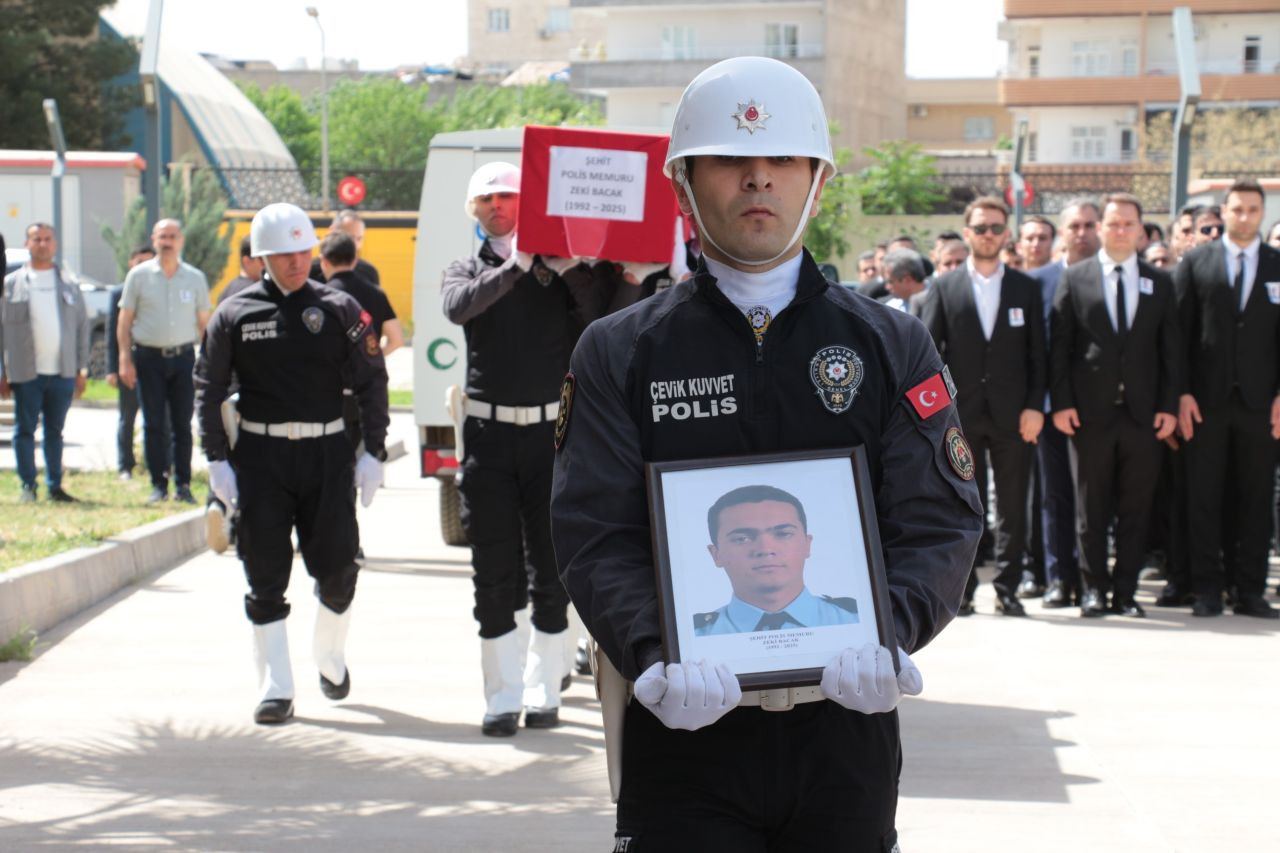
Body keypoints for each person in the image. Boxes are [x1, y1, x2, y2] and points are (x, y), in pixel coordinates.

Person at [551, 56, 980, 851]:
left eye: (782, 159)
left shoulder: (889, 342)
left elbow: (939, 517)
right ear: (683, 185)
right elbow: (593, 528)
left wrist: (893, 630)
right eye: (729, 160)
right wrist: (651, 653)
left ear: (816, 179)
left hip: (845, 731)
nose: (758, 179)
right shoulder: (620, 350)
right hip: (681, 731)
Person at [194, 202, 389, 724]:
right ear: (262, 257)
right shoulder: (234, 313)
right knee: (264, 573)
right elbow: (208, 388)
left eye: (302, 251)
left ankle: (328, 654)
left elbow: (373, 377)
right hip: (260, 457)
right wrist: (217, 459)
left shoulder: (340, 308)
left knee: (340, 567)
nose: (295, 262)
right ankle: (275, 686)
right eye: (283, 254)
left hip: (327, 454)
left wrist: (374, 449)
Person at [442, 161, 608, 738]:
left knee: (550, 565)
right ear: (475, 211)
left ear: (526, 204)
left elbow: (598, 320)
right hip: (487, 434)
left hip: (549, 434)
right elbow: (458, 307)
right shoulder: (468, 268)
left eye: (507, 196)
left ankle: (543, 689)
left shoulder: (556, 270)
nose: (496, 206)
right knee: (492, 567)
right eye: (486, 200)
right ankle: (501, 695)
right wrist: (512, 268)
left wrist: (569, 271)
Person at [1049, 194, 1180, 618]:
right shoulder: (1077, 277)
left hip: (1144, 416)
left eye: (1129, 224)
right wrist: (1063, 403)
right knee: (1091, 510)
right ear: (1101, 228)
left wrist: (1168, 406)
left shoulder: (1160, 283)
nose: (1121, 230)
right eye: (1114, 223)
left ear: (1141, 231)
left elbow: (1170, 352)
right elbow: (1061, 348)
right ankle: (1093, 591)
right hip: (1090, 415)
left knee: (1135, 508)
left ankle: (1125, 593)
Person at [921, 196, 1045, 617]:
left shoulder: (1026, 288)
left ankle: (1008, 588)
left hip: (1015, 416)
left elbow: (1037, 355)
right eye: (981, 227)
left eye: (996, 228)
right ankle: (965, 589)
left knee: (1014, 505)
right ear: (968, 232)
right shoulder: (944, 287)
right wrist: (939, 415)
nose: (988, 235)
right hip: (960, 418)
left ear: (1006, 234)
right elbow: (929, 356)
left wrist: (1035, 406)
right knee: (964, 504)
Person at [1175, 179, 1280, 619]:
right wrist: (1179, 393)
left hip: (1262, 404)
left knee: (1256, 500)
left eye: (1253, 210)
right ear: (1225, 211)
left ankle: (1250, 591)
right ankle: (1206, 590)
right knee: (1205, 499)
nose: (1244, 217)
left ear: (1262, 213)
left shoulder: (1278, 263)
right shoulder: (1197, 262)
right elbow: (1176, 335)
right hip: (1206, 403)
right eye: (1237, 209)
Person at [117, 219, 212, 504]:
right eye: (162, 236)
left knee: (183, 424)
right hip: (148, 358)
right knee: (153, 423)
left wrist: (209, 361)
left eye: (172, 236)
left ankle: (183, 484)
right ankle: (158, 484)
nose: (167, 241)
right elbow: (125, 320)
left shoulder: (194, 278)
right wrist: (124, 358)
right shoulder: (139, 276)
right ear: (154, 239)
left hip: (183, 358)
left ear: (181, 240)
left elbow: (204, 323)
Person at [0, 223, 89, 502]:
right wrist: (2, 372)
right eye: (36, 239)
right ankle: (28, 485)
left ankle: (55, 486)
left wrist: (81, 368)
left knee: (55, 431)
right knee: (24, 430)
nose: (42, 244)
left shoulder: (69, 285)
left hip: (62, 371)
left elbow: (83, 328)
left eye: (47, 239)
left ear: (55, 244)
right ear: (27, 244)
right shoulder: (11, 285)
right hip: (26, 371)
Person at [694, 485, 859, 635]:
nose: (766, 549)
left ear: (807, 545)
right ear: (716, 555)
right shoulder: (693, 637)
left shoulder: (859, 620)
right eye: (742, 538)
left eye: (783, 534)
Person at [1022, 213, 1079, 607]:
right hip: (1044, 409)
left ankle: (1085, 577)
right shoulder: (1035, 284)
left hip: (1092, 407)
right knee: (1046, 496)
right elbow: (1032, 350)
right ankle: (1045, 573)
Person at [106, 245, 158, 480]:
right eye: (139, 262)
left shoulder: (159, 289)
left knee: (157, 418)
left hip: (154, 362)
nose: (143, 267)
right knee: (127, 418)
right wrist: (113, 368)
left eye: (148, 262)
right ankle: (125, 465)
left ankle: (155, 463)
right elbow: (111, 333)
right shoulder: (119, 292)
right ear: (131, 263)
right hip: (128, 363)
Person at [318, 232, 403, 357]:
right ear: (355, 260)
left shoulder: (321, 297)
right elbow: (397, 340)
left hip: (332, 374)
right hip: (367, 375)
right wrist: (373, 359)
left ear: (324, 262)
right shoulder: (377, 294)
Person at [309, 209, 380, 286]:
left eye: (359, 239)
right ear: (332, 231)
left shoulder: (368, 272)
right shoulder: (310, 271)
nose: (355, 244)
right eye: (349, 237)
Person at [878, 247, 927, 314]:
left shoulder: (937, 301)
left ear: (908, 279)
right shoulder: (891, 309)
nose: (887, 287)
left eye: (890, 282)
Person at [218, 235, 265, 304]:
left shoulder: (231, 287)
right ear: (247, 261)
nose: (267, 264)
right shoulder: (248, 291)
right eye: (262, 259)